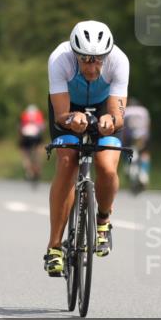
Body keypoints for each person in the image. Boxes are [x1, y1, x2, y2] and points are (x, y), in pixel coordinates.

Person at [43, 20, 128, 276]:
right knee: (68, 162)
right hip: (69, 109)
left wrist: (110, 120)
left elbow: (119, 114)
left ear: (107, 55)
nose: (92, 68)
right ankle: (55, 247)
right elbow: (60, 114)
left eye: (98, 60)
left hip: (104, 108)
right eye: (85, 60)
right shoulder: (59, 59)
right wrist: (72, 119)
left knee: (106, 167)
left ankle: (103, 221)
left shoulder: (119, 61)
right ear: (75, 54)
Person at [121, 97, 151, 188]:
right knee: (144, 154)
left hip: (129, 136)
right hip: (142, 136)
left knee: (127, 150)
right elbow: (147, 125)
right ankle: (144, 174)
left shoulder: (126, 110)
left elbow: (122, 125)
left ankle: (128, 165)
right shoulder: (144, 111)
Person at [19, 104, 46, 181]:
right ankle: (38, 169)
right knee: (38, 152)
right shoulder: (38, 114)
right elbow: (42, 127)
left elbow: (20, 128)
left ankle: (29, 172)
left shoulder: (24, 115)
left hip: (26, 136)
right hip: (36, 137)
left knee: (25, 154)